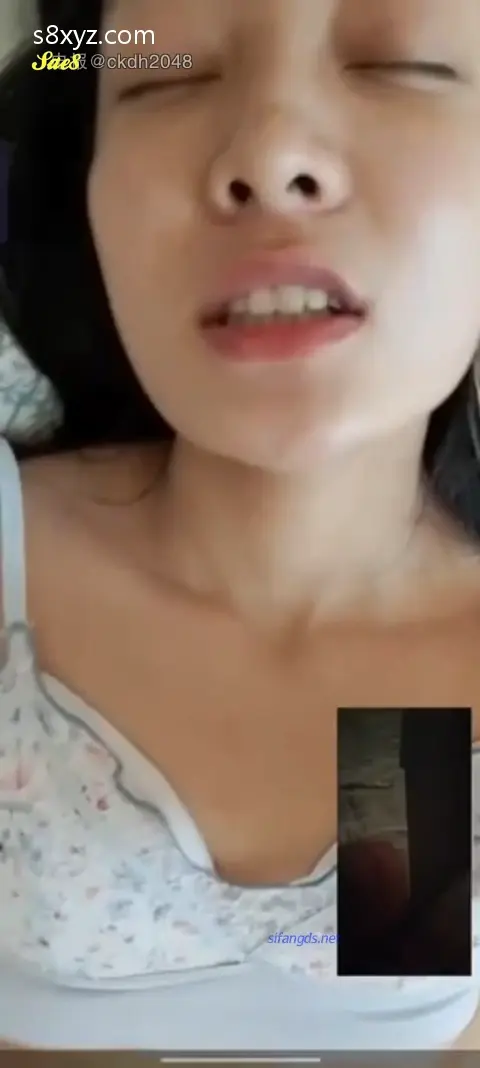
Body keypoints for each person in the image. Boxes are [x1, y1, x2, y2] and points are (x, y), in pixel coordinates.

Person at [0, 0, 480, 1052]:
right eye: (165, 75)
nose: (269, 152)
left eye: (400, 63)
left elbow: (392, 1003)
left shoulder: (446, 690)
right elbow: (53, 52)